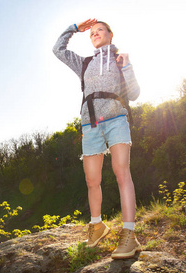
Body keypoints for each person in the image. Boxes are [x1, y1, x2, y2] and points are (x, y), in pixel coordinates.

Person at [53, 19, 142, 259]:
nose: (94, 34)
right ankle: (97, 226)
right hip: (90, 124)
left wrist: (127, 65)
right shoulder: (84, 63)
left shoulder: (118, 60)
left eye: (99, 30)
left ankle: (130, 235)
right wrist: (73, 28)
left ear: (110, 34)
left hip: (116, 120)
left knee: (122, 173)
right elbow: (57, 50)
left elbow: (133, 94)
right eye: (91, 32)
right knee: (92, 180)